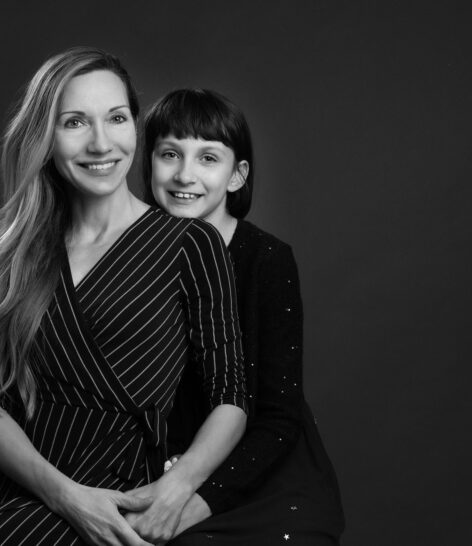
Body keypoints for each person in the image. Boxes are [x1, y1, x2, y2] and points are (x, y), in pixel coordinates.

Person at [0, 48, 248, 546]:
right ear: (45, 139)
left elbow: (231, 397)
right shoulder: (20, 250)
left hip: (117, 493)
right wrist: (65, 496)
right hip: (21, 490)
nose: (100, 142)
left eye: (116, 118)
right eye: (74, 122)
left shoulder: (189, 244)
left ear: (135, 126)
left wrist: (176, 489)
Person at [141, 88, 345, 545]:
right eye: (169, 154)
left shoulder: (266, 260)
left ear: (237, 175)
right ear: (148, 163)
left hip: (259, 473)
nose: (184, 174)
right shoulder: (131, 256)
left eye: (208, 158)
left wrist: (191, 503)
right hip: (161, 465)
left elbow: (279, 414)